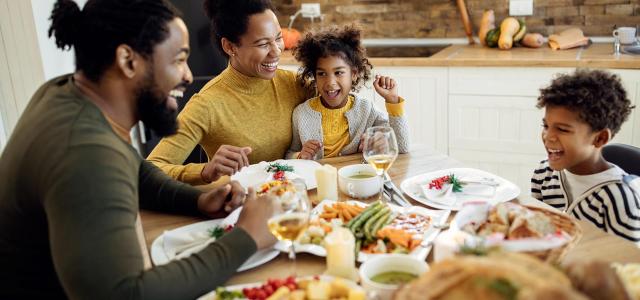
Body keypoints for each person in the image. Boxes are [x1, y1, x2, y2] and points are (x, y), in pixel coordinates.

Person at [0, 0, 276, 298]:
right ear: (128, 61)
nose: (186, 75)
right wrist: (246, 238)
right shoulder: (85, 154)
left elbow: (138, 172)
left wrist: (198, 201)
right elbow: (127, 293)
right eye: (178, 60)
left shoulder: (66, 94)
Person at [147, 0, 312, 185]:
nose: (276, 51)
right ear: (230, 47)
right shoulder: (207, 103)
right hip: (240, 207)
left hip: (297, 199)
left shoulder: (292, 84)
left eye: (278, 38)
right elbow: (152, 168)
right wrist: (205, 171)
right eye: (263, 44)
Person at [530, 69, 639, 243]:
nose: (548, 136)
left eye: (562, 129)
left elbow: (625, 264)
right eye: (546, 126)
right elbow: (535, 234)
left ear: (600, 138)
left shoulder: (620, 200)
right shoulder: (543, 174)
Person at [286, 25, 409, 160]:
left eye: (338, 72)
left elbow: (401, 147)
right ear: (314, 76)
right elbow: (290, 154)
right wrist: (300, 155)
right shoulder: (301, 114)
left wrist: (392, 100)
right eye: (322, 73)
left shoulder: (367, 110)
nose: (330, 82)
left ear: (354, 74)